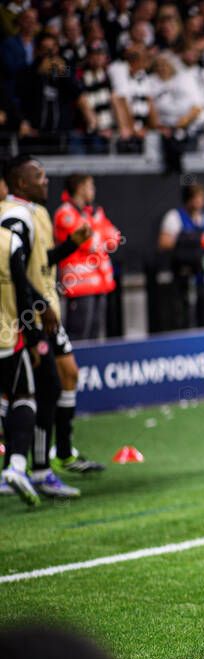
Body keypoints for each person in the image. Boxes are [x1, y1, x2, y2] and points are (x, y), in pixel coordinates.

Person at [0, 155, 97, 497]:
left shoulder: (34, 212)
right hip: (29, 317)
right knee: (40, 388)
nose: (46, 180)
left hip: (43, 313)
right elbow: (16, 271)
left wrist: (71, 245)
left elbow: (38, 264)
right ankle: (30, 468)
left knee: (58, 380)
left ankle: (41, 464)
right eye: (38, 176)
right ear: (20, 182)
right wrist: (38, 308)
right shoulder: (14, 217)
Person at [0, 171, 50, 505]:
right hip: (7, 337)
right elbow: (22, 292)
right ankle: (19, 465)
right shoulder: (9, 240)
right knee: (24, 395)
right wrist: (34, 340)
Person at [53, 174, 120, 342]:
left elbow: (115, 238)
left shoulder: (93, 213)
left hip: (100, 284)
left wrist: (96, 231)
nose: (93, 190)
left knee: (95, 338)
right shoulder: (65, 213)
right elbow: (88, 242)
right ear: (80, 188)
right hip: (79, 285)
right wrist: (99, 231)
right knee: (78, 339)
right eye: (91, 186)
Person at [158, 183, 204, 328]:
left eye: (201, 197)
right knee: (184, 315)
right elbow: (163, 243)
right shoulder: (175, 217)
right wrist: (190, 241)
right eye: (196, 198)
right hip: (184, 273)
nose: (200, 201)